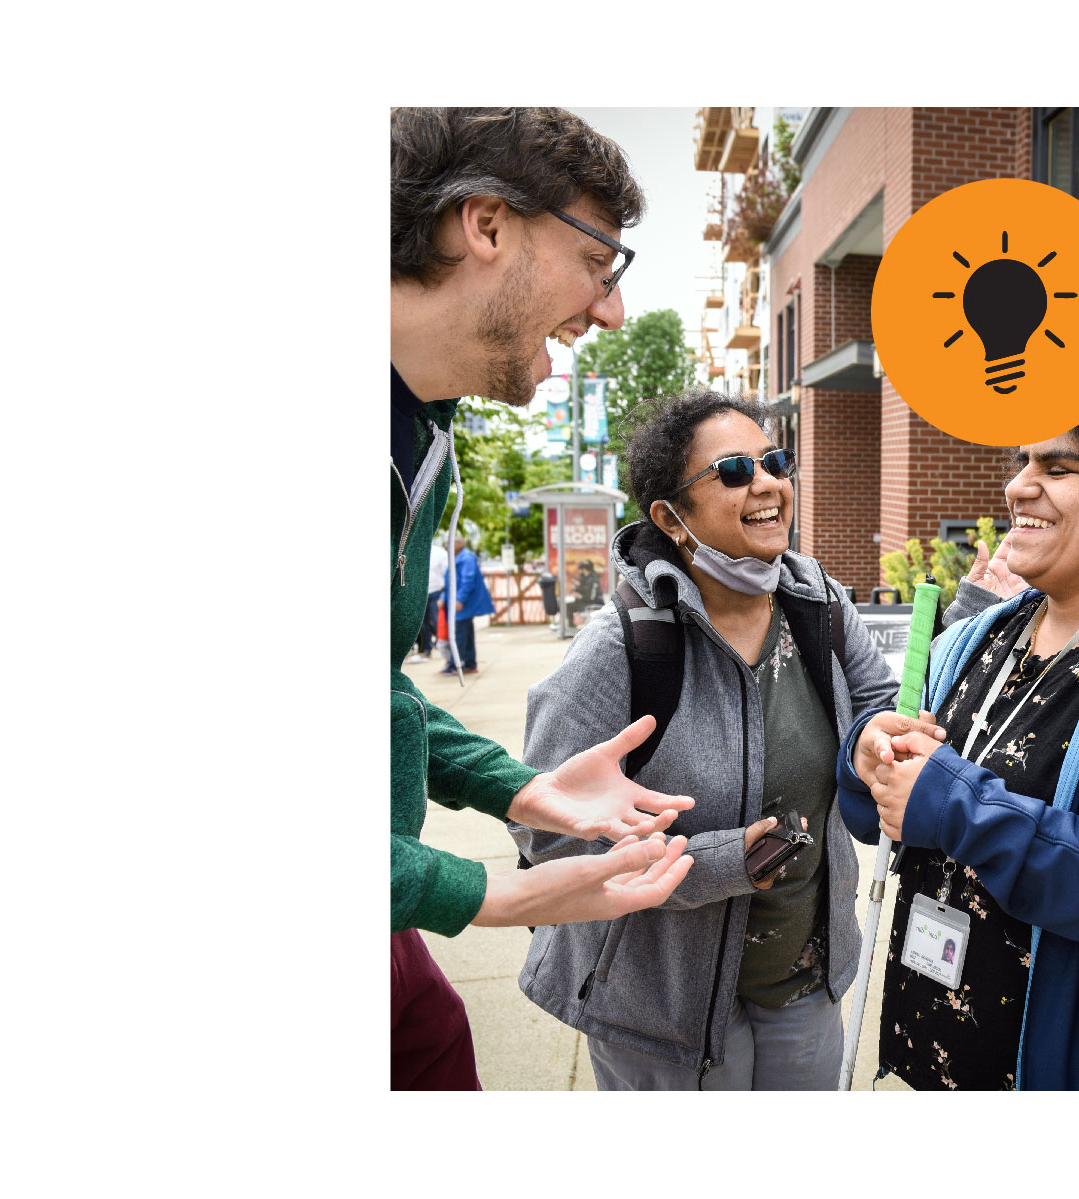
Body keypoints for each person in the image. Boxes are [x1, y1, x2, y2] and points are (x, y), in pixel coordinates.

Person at [391, 106, 696, 1089]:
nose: (610, 311)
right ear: (485, 225)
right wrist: (490, 892)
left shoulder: (421, 437)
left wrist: (519, 786)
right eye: (600, 262)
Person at [511, 390, 926, 1090]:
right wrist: (719, 861)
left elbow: (880, 707)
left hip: (803, 984)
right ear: (672, 518)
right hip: (662, 1013)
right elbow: (544, 834)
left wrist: (872, 741)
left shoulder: (818, 600)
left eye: (776, 461)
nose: (766, 482)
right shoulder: (623, 645)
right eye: (733, 470)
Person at [839, 363, 1079, 1090]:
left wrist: (955, 804)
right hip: (932, 1052)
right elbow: (885, 805)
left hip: (1051, 1066)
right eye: (1021, 462)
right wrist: (866, 754)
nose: (1018, 486)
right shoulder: (973, 639)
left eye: (1059, 466)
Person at [438, 534, 494, 676]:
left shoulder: (466, 558)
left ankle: (454, 664)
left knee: (459, 635)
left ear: (459, 543)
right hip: (458, 602)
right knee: (466, 634)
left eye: (448, 543)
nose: (446, 545)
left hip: (462, 604)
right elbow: (450, 581)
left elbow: (467, 581)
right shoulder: (457, 557)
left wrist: (460, 600)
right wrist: (444, 597)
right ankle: (469, 663)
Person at [412, 534, 447, 663]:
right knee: (423, 624)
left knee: (438, 622)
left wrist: (443, 594)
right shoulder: (415, 552)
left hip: (435, 593)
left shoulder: (440, 553)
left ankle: (444, 647)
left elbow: (446, 573)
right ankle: (426, 649)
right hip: (421, 594)